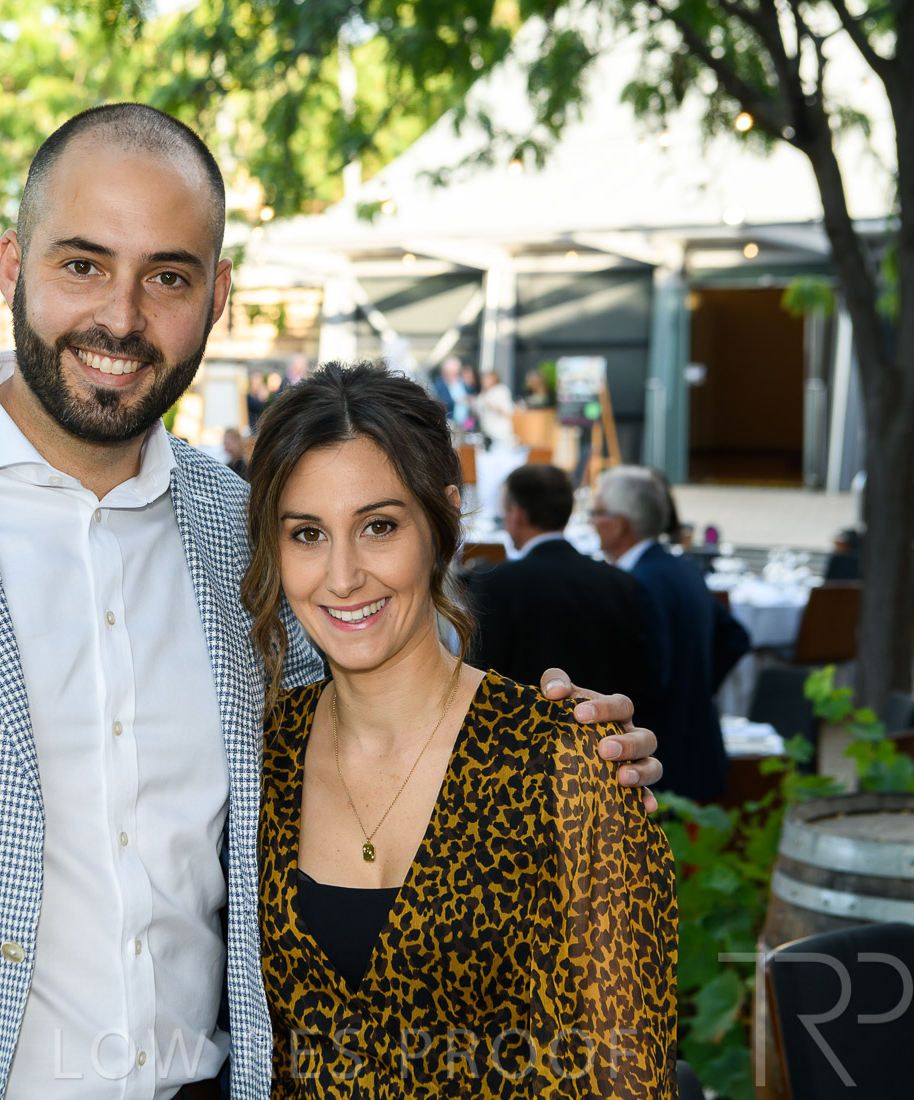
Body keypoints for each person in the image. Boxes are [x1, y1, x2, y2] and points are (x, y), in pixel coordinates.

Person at [0, 103, 661, 1100]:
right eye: (82, 264)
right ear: (12, 266)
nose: (121, 318)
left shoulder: (250, 533)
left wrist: (557, 743)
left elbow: (390, 685)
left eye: (166, 277)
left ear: (217, 295)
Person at [245, 364, 676, 1097]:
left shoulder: (565, 760)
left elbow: (628, 1074)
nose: (342, 577)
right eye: (308, 534)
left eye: (379, 526)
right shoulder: (260, 754)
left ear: (442, 522)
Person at [595, 466, 750, 803]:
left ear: (619, 524)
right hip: (698, 743)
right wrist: (696, 689)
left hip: (666, 758)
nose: (592, 522)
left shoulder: (639, 583)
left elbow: (653, 678)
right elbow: (735, 637)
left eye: (597, 513)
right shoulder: (682, 567)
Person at [469, 464, 657, 712]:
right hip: (601, 728)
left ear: (516, 515)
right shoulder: (620, 582)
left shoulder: (497, 581)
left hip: (525, 730)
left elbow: (481, 674)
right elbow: (640, 675)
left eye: (504, 513)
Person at [429, 354, 474, 433]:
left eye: (455, 373)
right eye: (450, 373)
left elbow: (470, 401)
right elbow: (440, 402)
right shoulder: (439, 384)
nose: (451, 376)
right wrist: (458, 400)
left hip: (465, 424)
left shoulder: (463, 383)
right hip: (449, 422)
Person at [476, 367, 516, 451]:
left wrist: (492, 406)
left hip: (500, 433)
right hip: (487, 433)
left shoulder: (501, 390)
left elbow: (508, 411)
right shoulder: (482, 394)